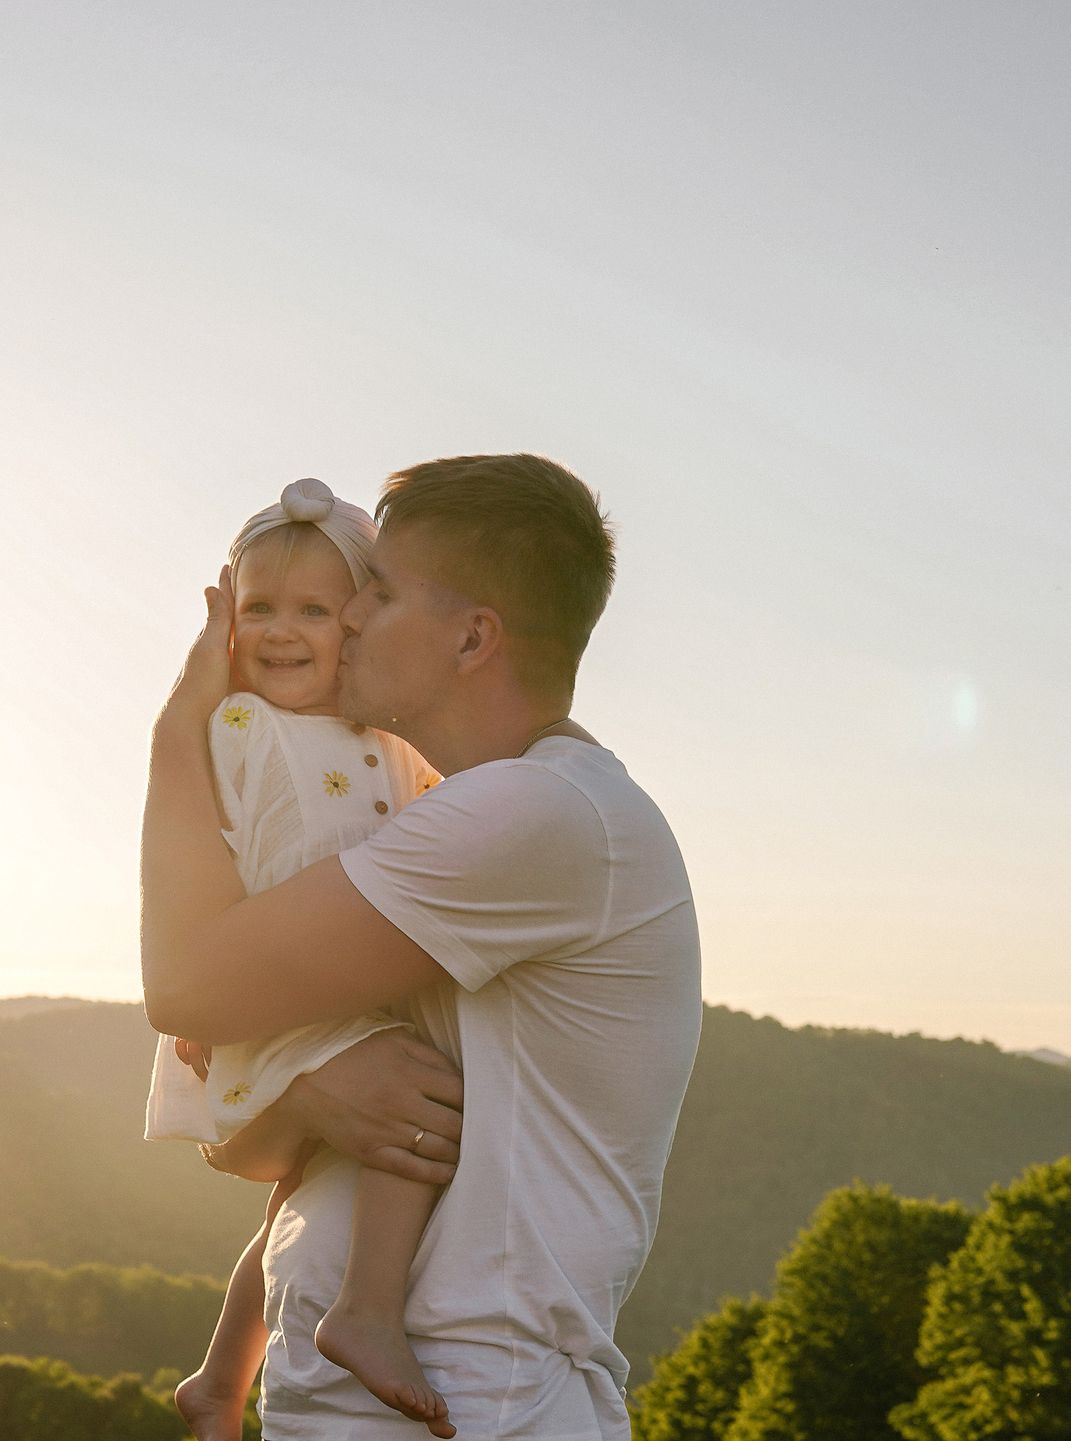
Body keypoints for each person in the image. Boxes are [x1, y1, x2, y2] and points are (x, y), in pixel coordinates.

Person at [143, 453, 703, 1440]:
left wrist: (178, 725)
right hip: (370, 1396)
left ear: (473, 637)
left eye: (382, 591)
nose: (349, 615)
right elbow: (244, 1133)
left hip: (479, 1399)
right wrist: (308, 1085)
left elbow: (186, 986)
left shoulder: (535, 812)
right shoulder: (444, 815)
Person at [149, 478, 455, 1439]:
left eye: (314, 611)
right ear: (228, 623)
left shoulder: (383, 737)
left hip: (326, 994)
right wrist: (209, 1000)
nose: (284, 631)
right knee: (423, 1106)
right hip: (280, 1003)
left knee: (302, 1187)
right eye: (261, 609)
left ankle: (219, 1376)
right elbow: (216, 870)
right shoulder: (242, 727)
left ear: (357, 622)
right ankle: (366, 1309)